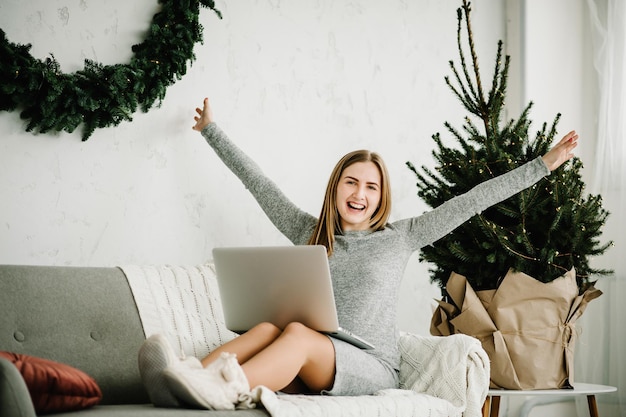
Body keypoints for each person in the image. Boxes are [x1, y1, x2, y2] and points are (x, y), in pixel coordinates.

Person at [138, 97, 579, 410]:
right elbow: (260, 185)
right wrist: (211, 130)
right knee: (270, 326)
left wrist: (544, 164)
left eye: (371, 186)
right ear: (337, 186)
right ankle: (183, 377)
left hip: (371, 366)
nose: (360, 193)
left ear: (381, 196)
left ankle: (220, 391)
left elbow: (473, 200)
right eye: (351, 182)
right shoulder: (310, 232)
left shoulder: (402, 235)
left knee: (293, 331)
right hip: (317, 357)